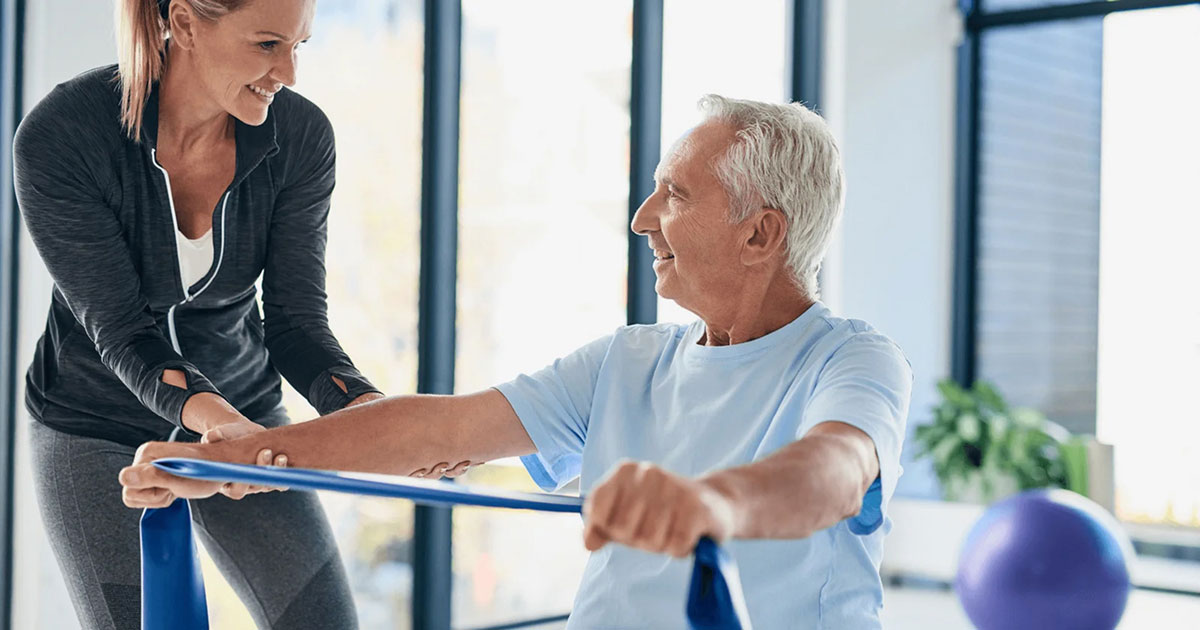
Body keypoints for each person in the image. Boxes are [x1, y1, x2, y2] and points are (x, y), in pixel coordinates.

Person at [121, 95, 913, 629]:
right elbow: (437, 430)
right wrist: (239, 459)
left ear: (760, 234)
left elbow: (835, 471)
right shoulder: (629, 360)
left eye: (674, 195)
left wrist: (714, 505)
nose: (643, 219)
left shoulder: (852, 360)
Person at [10, 1, 443, 628]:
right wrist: (228, 430)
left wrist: (370, 415)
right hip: (94, 422)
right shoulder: (65, 134)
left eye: (299, 46)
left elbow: (296, 325)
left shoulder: (300, 138)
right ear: (186, 23)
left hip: (246, 411)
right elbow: (124, 333)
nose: (288, 73)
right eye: (267, 44)